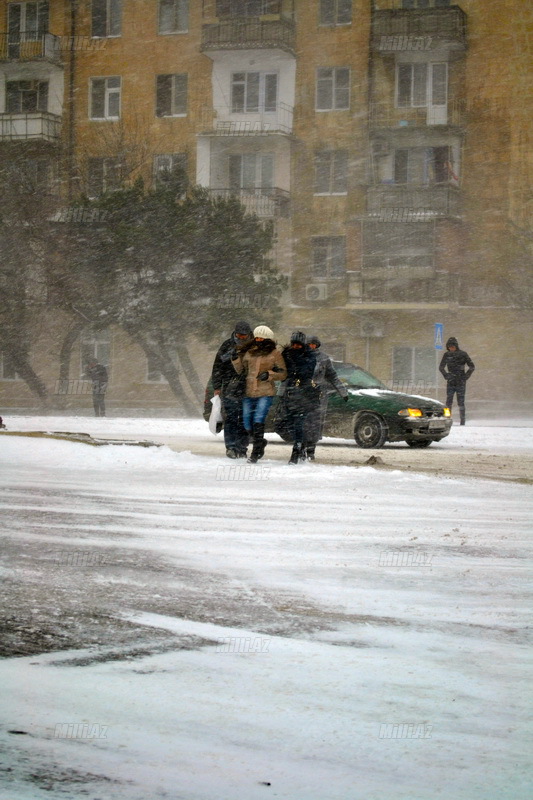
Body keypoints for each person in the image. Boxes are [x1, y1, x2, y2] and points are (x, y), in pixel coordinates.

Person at [232, 325, 287, 464]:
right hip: (248, 391)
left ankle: (255, 452)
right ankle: (260, 442)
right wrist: (235, 360)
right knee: (246, 422)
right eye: (257, 337)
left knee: (258, 419)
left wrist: (269, 375)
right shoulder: (249, 352)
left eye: (262, 338)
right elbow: (241, 371)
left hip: (266, 391)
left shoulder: (275, 353)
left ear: (268, 339)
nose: (258, 340)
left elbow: (283, 373)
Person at [210, 320, 253, 458]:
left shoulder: (255, 347)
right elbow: (218, 367)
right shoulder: (227, 346)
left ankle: (242, 447)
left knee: (245, 420)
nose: (241, 338)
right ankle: (231, 447)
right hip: (230, 387)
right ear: (235, 333)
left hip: (249, 388)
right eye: (239, 335)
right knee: (231, 419)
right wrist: (217, 386)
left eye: (244, 336)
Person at [305, 335, 349, 460]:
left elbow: (333, 377)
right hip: (303, 393)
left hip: (319, 395)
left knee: (316, 422)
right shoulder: (301, 356)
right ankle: (301, 446)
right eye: (309, 344)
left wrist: (342, 391)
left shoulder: (324, 359)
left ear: (317, 345)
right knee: (303, 421)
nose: (311, 346)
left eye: (313, 344)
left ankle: (311, 449)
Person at [281, 331, 320, 465]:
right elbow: (282, 370)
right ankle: (301, 445)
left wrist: (296, 359)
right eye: (294, 344)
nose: (295, 347)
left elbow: (306, 372)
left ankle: (296, 449)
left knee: (299, 421)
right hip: (290, 391)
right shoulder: (286, 354)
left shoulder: (309, 356)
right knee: (289, 422)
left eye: (298, 345)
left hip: (304, 392)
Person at [439, 336, 475, 425]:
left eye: (452, 346)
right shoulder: (446, 355)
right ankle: (447, 419)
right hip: (451, 381)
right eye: (449, 347)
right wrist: (446, 375)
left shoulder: (463, 354)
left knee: (461, 402)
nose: (451, 348)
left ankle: (462, 421)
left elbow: (472, 366)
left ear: (456, 346)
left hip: (460, 381)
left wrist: (466, 376)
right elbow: (441, 367)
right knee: (449, 401)